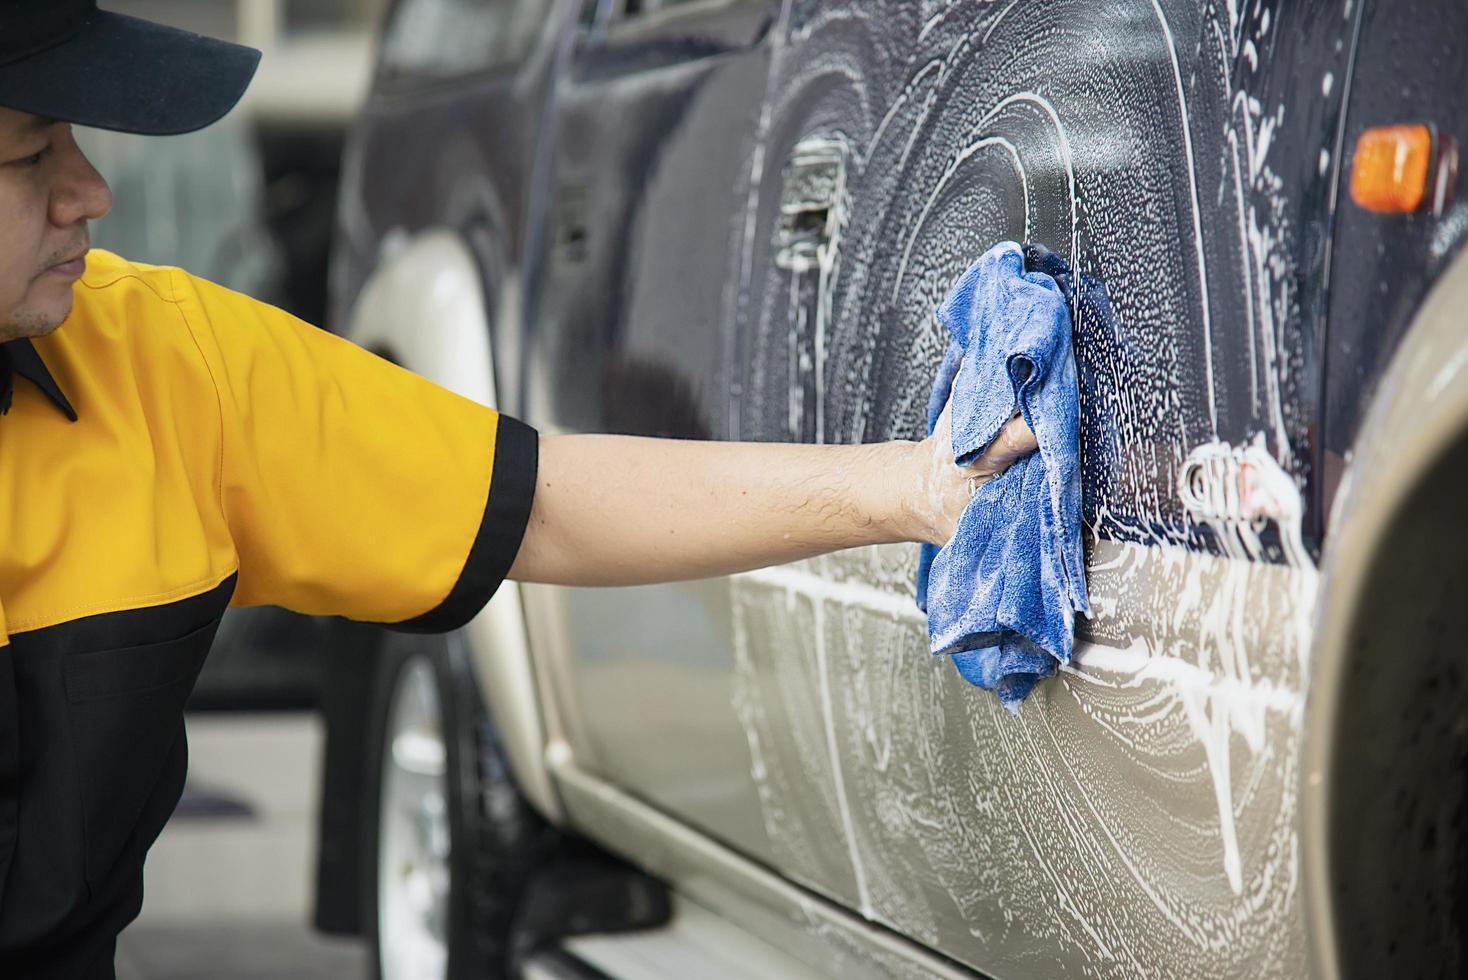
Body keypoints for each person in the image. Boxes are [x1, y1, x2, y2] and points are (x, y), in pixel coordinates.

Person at [0, 2, 1037, 976]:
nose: (90, 189)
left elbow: (538, 503)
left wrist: (917, 484)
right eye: (33, 152)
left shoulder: (163, 367)